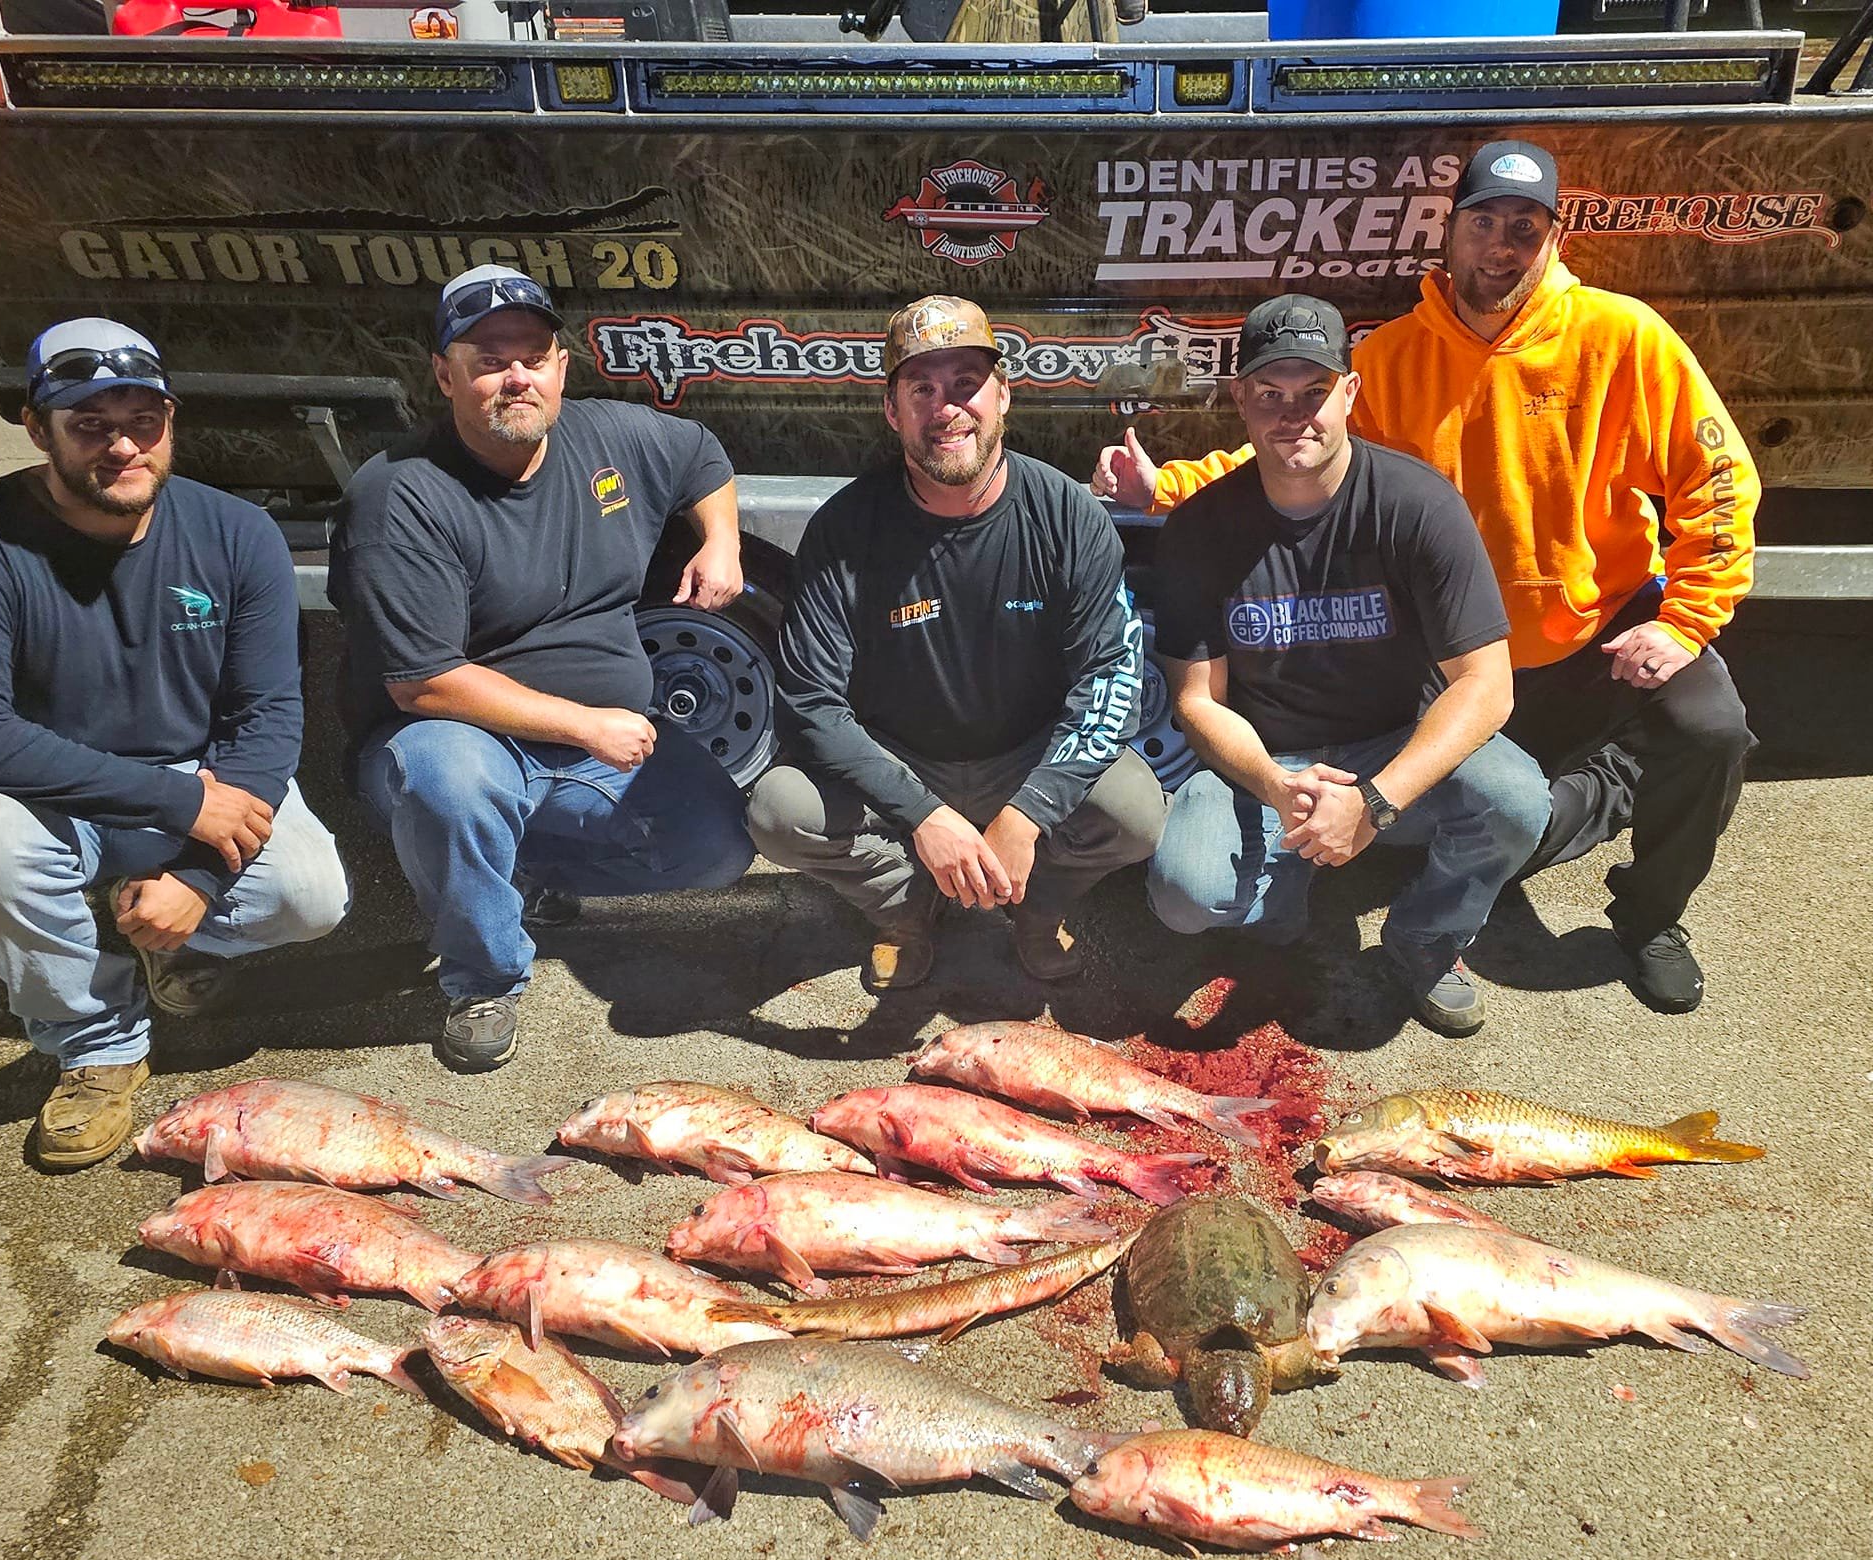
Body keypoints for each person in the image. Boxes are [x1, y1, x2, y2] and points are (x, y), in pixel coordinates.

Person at [1096, 139, 1759, 1013]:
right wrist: (1170, 487)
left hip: (1599, 621)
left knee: (1712, 732)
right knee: (1493, 810)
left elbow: (1719, 480)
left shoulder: (1625, 336)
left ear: (1554, 239)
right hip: (1453, 645)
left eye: (1525, 227)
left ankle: (1649, 916)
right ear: (1448, 235)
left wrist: (1685, 620)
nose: (1501, 245)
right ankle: (1563, 806)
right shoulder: (1399, 356)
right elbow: (1295, 449)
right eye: (1482, 222)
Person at [0, 319, 350, 1170]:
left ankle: (166, 936)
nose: (122, 446)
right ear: (37, 429)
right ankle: (97, 1042)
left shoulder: (235, 533)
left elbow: (265, 719)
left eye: (142, 421)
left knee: (310, 895)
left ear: (171, 421)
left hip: (189, 775)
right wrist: (182, 807)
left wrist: (195, 875)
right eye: (89, 425)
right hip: (36, 789)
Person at [328, 264, 754, 1073]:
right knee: (449, 784)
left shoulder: (612, 435)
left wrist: (720, 539)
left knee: (718, 848)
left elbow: (701, 455)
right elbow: (423, 682)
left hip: (591, 748)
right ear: (444, 375)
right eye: (488, 358)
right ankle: (482, 976)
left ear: (562, 367)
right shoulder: (398, 495)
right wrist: (584, 725)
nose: (514, 375)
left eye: (532, 354)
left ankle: (519, 872)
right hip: (457, 734)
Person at [1143, 295, 1550, 1035]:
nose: (1293, 413)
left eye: (1314, 391)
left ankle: (1426, 937)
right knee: (1183, 896)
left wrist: (1377, 801)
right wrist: (1274, 783)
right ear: (1241, 400)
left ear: (1351, 393)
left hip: (1393, 743)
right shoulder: (1200, 527)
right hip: (1267, 758)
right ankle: (1287, 898)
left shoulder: (1418, 503)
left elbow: (1488, 687)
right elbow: (1198, 701)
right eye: (1270, 393)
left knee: (1519, 801)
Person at [749, 294, 1167, 992]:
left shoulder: (1067, 515)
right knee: (778, 812)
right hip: (901, 759)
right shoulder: (846, 527)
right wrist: (924, 815)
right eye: (922, 388)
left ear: (1003, 396)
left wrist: (1029, 812)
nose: (947, 408)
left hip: (1026, 752)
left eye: (966, 384)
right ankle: (909, 916)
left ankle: (1036, 913)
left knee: (1137, 815)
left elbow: (1110, 680)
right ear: (893, 411)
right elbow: (812, 703)